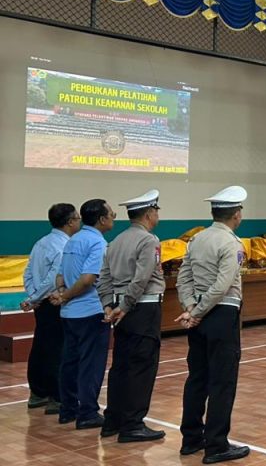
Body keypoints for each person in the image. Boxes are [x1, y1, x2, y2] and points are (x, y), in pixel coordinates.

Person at [176, 186, 250, 464]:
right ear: (236, 214)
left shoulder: (197, 239)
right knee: (222, 381)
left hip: (198, 315)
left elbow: (183, 278)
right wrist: (198, 311)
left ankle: (191, 439)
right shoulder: (231, 243)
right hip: (221, 314)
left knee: (197, 378)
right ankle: (217, 445)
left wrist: (190, 308)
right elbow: (223, 285)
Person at [97, 190, 166, 443]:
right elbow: (142, 278)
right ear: (149, 214)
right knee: (141, 366)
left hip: (120, 308)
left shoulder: (116, 241)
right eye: (156, 210)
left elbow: (104, 277)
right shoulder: (148, 240)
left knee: (122, 365)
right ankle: (133, 424)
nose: (157, 215)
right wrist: (126, 305)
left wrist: (108, 305)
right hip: (141, 309)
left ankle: (113, 420)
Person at [51, 198, 114, 429]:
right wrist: (66, 296)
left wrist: (62, 294)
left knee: (70, 361)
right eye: (111, 214)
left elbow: (60, 275)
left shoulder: (73, 240)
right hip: (90, 312)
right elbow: (88, 279)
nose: (113, 218)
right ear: (102, 219)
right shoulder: (97, 243)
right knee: (91, 364)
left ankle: (68, 409)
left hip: (69, 315)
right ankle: (87, 413)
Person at [22, 203, 80, 414]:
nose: (79, 222)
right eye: (77, 218)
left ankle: (38, 392)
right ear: (70, 222)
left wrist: (33, 297)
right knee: (58, 348)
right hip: (55, 301)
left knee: (42, 344)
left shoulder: (41, 242)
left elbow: (28, 273)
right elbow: (54, 278)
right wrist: (36, 297)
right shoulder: (65, 246)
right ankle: (57, 396)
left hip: (41, 302)